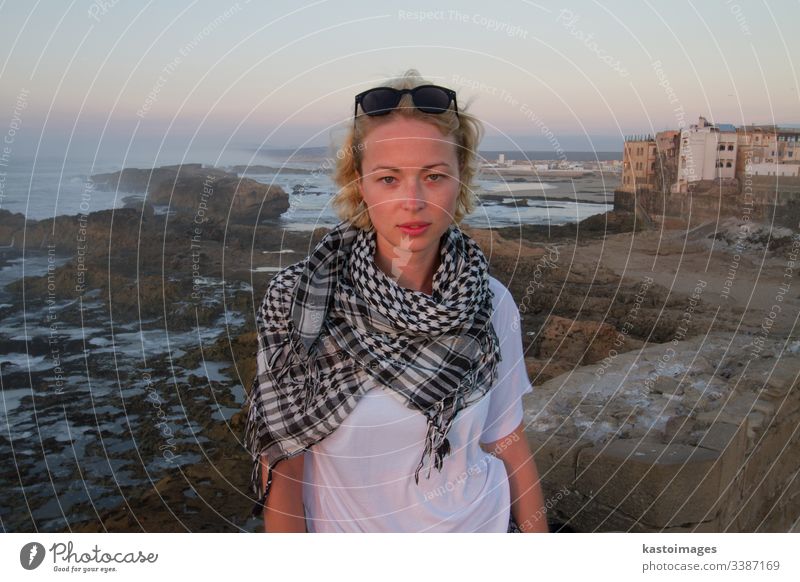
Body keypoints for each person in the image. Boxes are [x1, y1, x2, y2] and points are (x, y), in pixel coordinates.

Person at [244, 69, 548, 533]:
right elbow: (284, 469)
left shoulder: (489, 299)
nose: (413, 200)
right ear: (359, 185)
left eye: (434, 176)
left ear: (459, 181)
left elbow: (506, 438)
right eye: (389, 178)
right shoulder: (302, 301)